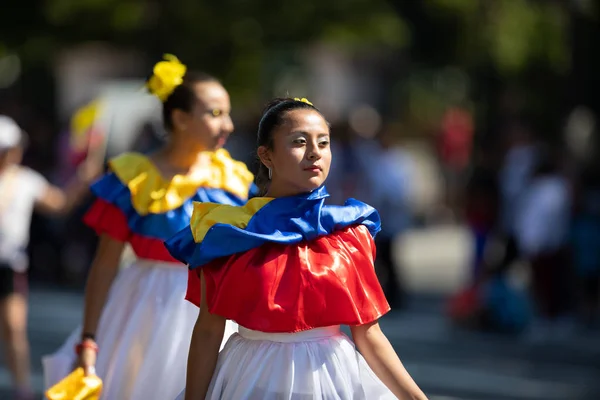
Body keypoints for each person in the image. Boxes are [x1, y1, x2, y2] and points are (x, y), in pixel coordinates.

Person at [166, 98, 428, 399]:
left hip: (332, 380)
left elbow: (369, 336)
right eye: (299, 142)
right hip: (250, 378)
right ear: (266, 155)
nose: (315, 153)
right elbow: (209, 332)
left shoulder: (350, 233)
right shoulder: (227, 235)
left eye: (324, 142)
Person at [42, 55, 256, 400]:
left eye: (227, 113)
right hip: (145, 309)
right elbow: (105, 263)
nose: (228, 125)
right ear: (181, 118)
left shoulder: (232, 179)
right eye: (215, 113)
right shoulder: (135, 178)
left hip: (216, 308)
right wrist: (90, 338)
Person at [0, 115, 98, 400]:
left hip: (10, 264)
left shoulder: (26, 179)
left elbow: (60, 203)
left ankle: (22, 389)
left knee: (14, 329)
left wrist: (82, 180)